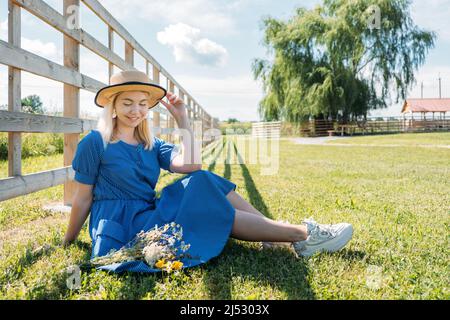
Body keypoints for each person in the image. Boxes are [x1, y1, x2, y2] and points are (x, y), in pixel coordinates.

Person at [62, 70, 353, 273]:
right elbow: (83, 198)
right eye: (127, 103)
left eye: (142, 104)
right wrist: (69, 240)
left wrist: (182, 119)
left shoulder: (151, 143)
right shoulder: (94, 143)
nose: (136, 110)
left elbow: (191, 165)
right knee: (207, 210)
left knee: (202, 179)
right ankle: (303, 235)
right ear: (112, 105)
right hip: (123, 224)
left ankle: (272, 235)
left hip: (149, 209)